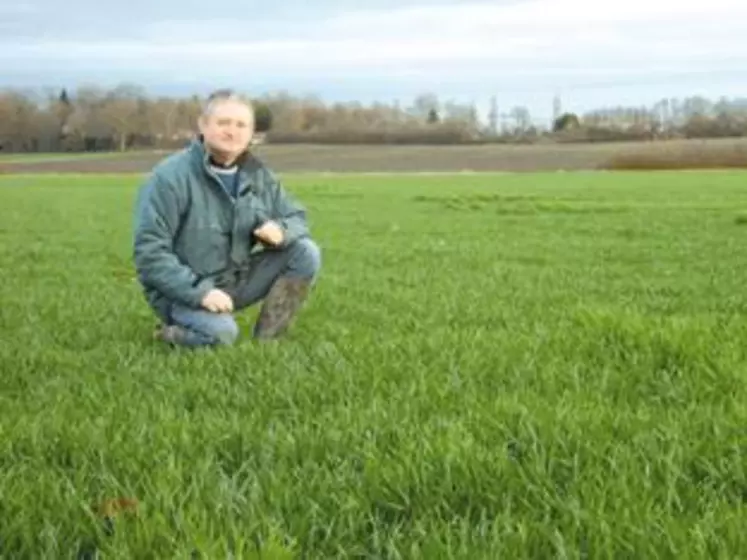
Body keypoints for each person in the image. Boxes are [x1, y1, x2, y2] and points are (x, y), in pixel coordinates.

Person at [132, 89, 321, 347]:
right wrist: (200, 292)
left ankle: (267, 341)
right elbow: (149, 253)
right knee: (222, 335)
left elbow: (297, 216)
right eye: (223, 123)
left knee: (305, 252)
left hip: (234, 280)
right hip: (180, 292)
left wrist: (281, 229)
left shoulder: (257, 175)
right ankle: (169, 333)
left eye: (241, 125)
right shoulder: (169, 178)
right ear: (203, 125)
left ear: (251, 133)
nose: (232, 131)